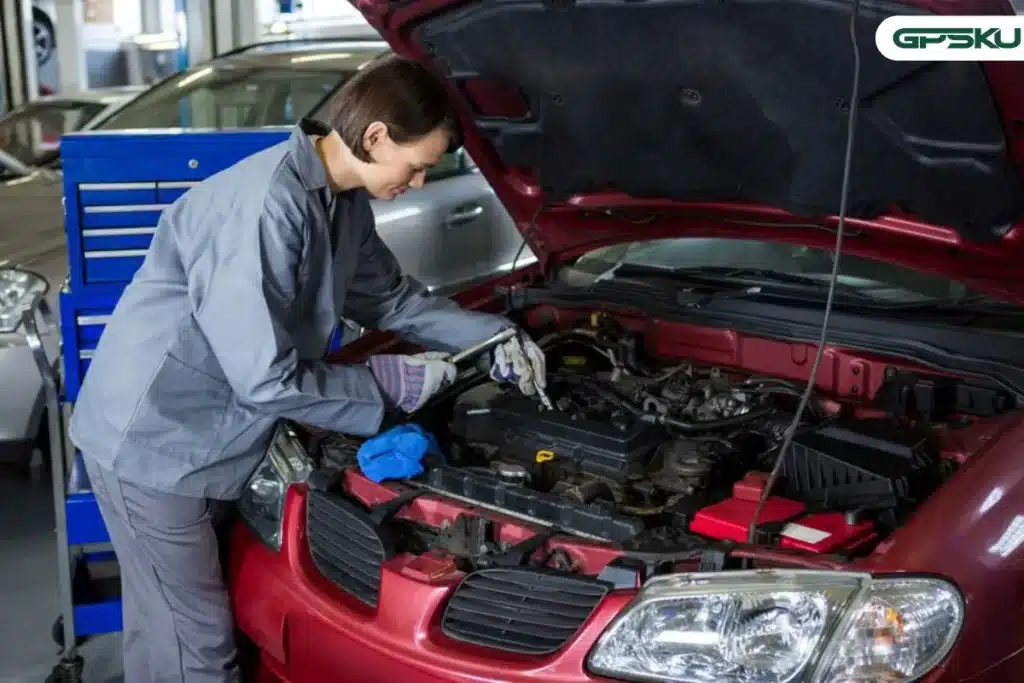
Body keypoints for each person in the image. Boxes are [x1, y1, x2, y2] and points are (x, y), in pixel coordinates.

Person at [68, 54, 546, 683]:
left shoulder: (341, 204)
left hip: (205, 435)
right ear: (375, 136)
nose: (421, 182)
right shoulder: (269, 207)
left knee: (165, 629)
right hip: (158, 442)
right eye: (419, 165)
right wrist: (387, 382)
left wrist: (493, 335)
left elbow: (393, 300)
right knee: (199, 649)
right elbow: (264, 378)